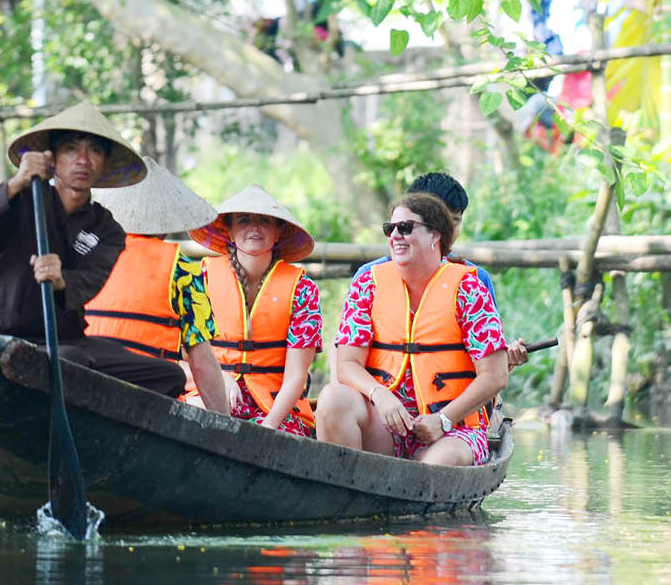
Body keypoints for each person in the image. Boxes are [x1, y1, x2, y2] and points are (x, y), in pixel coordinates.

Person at [0, 100, 186, 397]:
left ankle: (102, 428)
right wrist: (16, 182)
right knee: (69, 362)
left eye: (94, 151)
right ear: (53, 159)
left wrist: (61, 280)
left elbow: (87, 284)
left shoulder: (106, 228)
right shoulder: (20, 199)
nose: (83, 160)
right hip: (4, 338)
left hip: (66, 341)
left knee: (168, 375)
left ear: (105, 163)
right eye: (71, 149)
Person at [316, 193, 510, 465]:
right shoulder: (368, 284)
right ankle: (346, 495)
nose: (395, 235)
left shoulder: (469, 288)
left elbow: (495, 375)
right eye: (390, 229)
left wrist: (443, 420)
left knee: (441, 462)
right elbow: (347, 364)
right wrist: (380, 396)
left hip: (453, 428)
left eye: (406, 228)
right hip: (387, 421)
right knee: (333, 398)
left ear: (435, 236)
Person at [84, 157, 231, 414]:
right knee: (175, 376)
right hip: (147, 395)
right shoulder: (182, 268)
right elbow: (201, 362)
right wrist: (225, 423)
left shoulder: (85, 252)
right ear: (166, 220)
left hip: (82, 380)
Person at [185, 185, 322, 436]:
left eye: (264, 221)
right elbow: (182, 352)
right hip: (211, 391)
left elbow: (296, 376)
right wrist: (220, 379)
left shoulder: (303, 288)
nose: (254, 228)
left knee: (280, 438)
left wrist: (269, 426)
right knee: (192, 421)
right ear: (230, 230)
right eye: (244, 220)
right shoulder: (201, 276)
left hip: (277, 406)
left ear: (278, 232)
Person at [352, 172, 529, 368]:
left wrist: (507, 361)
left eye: (455, 220)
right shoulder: (369, 279)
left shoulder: (476, 280)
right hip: (383, 394)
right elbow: (348, 360)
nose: (448, 229)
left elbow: (490, 371)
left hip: (456, 395)